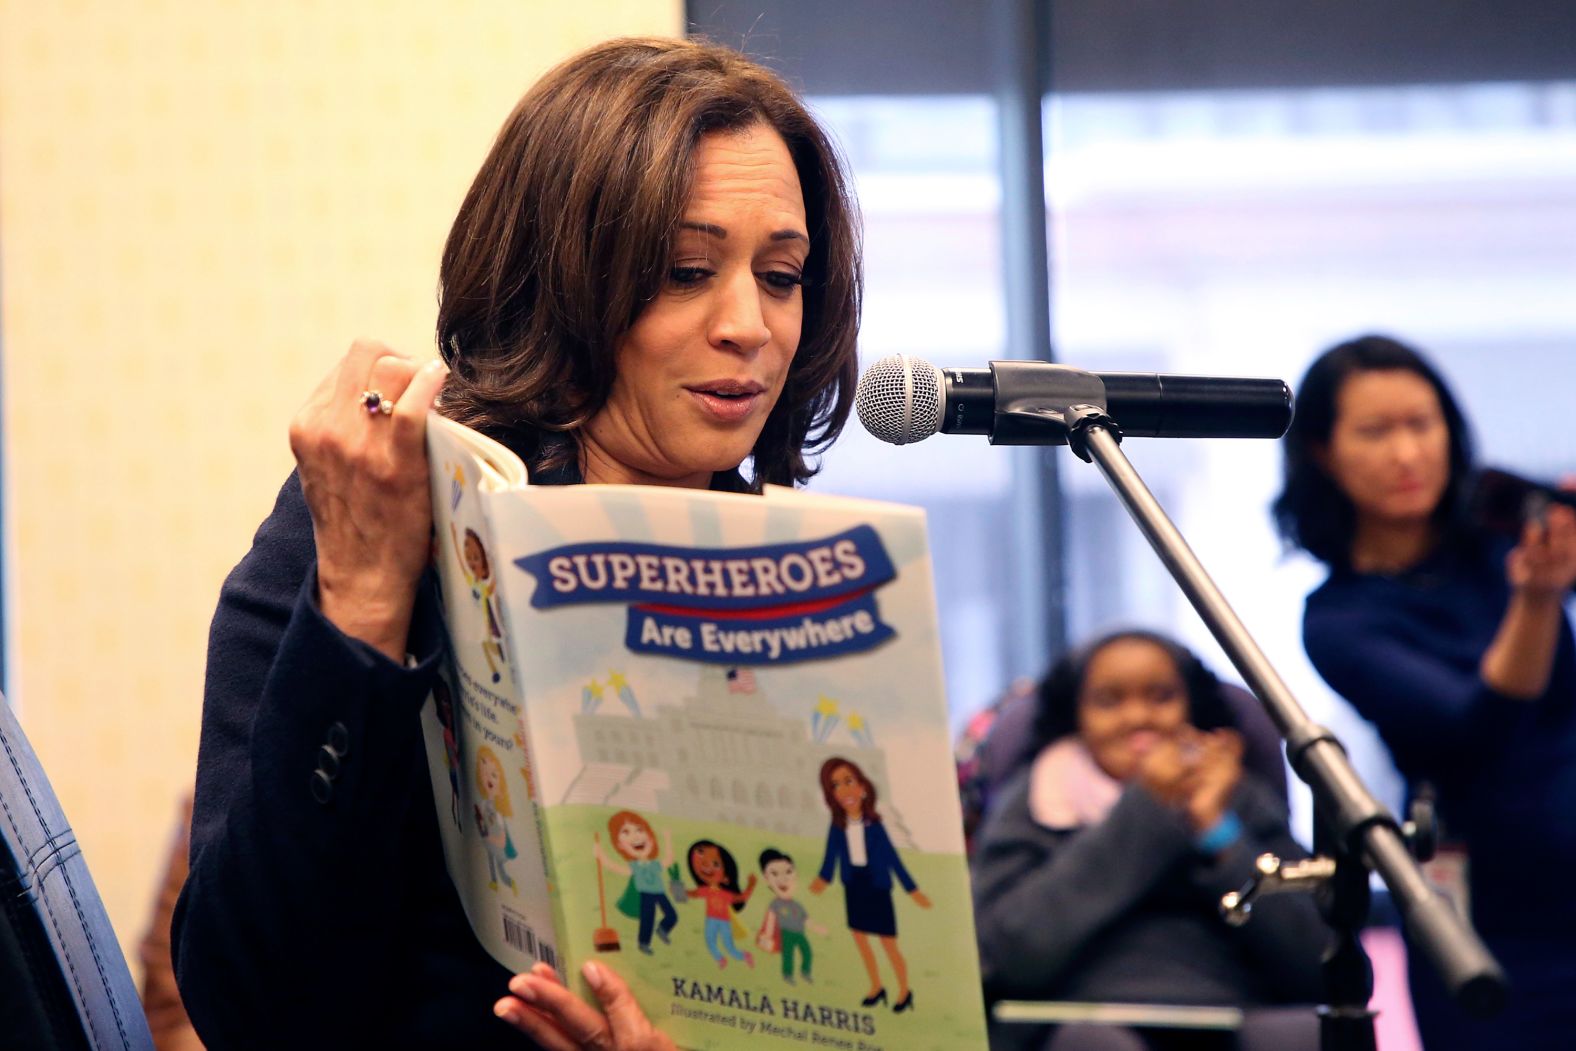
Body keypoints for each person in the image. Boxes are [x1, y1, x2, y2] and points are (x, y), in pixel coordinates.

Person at [172, 36, 861, 1051]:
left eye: (783, 274)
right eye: (686, 270)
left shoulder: (799, 572)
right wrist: (362, 606)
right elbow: (250, 1004)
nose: (749, 324)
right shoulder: (372, 503)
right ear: (561, 277)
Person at [1273, 334, 1576, 1051]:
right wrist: (1535, 600)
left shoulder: (1504, 535)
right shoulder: (1340, 617)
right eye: (1375, 431)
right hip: (1486, 915)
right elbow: (1476, 724)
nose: (1407, 453)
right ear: (1322, 451)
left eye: (1422, 423)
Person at [972, 630, 1326, 1051]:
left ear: (1191, 705)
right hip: (1079, 1018)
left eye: (1161, 697)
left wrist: (1215, 829)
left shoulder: (1239, 793)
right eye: (1109, 701)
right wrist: (1148, 806)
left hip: (1232, 1011)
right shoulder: (1037, 797)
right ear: (1077, 715)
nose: (1138, 718)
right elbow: (1006, 953)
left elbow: (1317, 959)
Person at [808, 756, 932, 1014]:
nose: (844, 790)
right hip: (854, 886)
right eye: (835, 785)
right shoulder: (837, 826)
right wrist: (824, 877)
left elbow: (892, 858)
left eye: (848, 781)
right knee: (861, 941)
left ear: (863, 787)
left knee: (888, 943)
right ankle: (876, 986)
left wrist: (912, 889)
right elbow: (831, 854)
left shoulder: (875, 826)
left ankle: (904, 990)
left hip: (876, 887)